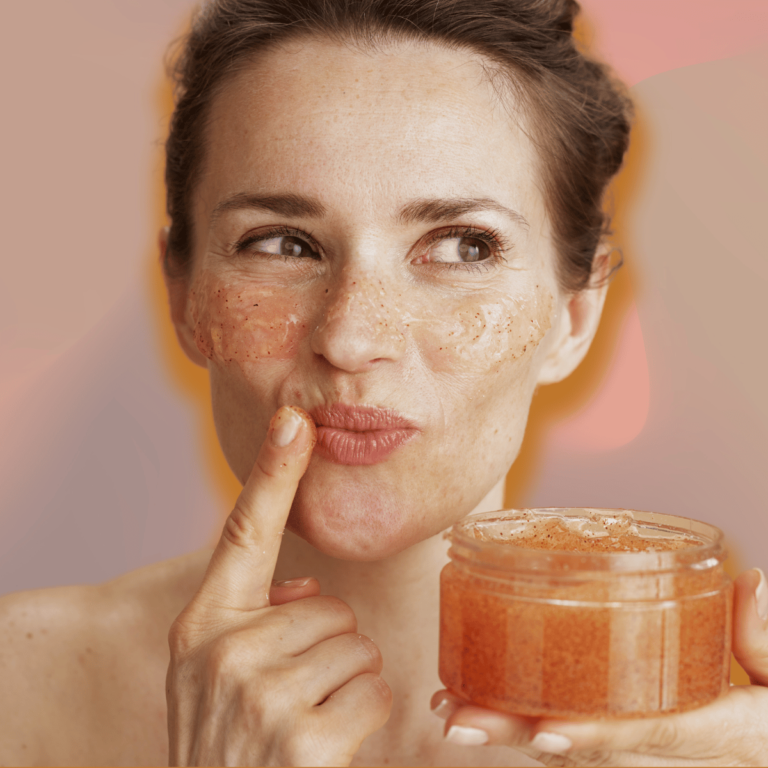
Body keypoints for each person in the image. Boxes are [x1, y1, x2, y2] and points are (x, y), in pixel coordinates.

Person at [0, 0, 766, 765]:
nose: (351, 338)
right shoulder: (17, 684)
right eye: (280, 243)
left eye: (464, 247)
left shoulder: (716, 736)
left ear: (575, 314)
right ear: (183, 290)